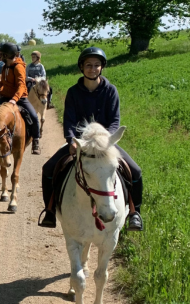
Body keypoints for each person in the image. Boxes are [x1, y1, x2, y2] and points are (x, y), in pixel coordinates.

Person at [38, 47, 143, 231]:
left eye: (96, 65)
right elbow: (69, 121)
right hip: (81, 144)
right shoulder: (73, 92)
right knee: (48, 169)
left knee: (135, 171)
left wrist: (105, 141)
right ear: (81, 67)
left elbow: (114, 121)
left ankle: (134, 213)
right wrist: (71, 140)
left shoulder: (111, 91)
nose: (92, 69)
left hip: (105, 144)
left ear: (102, 67)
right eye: (88, 65)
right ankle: (50, 211)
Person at [0, 42, 41, 154]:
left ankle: (36, 141)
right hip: (5, 97)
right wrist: (0, 91)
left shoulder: (18, 67)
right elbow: (3, 81)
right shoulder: (5, 66)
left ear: (7, 55)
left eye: (1, 53)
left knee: (34, 117)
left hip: (20, 98)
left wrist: (14, 99)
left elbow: (21, 86)